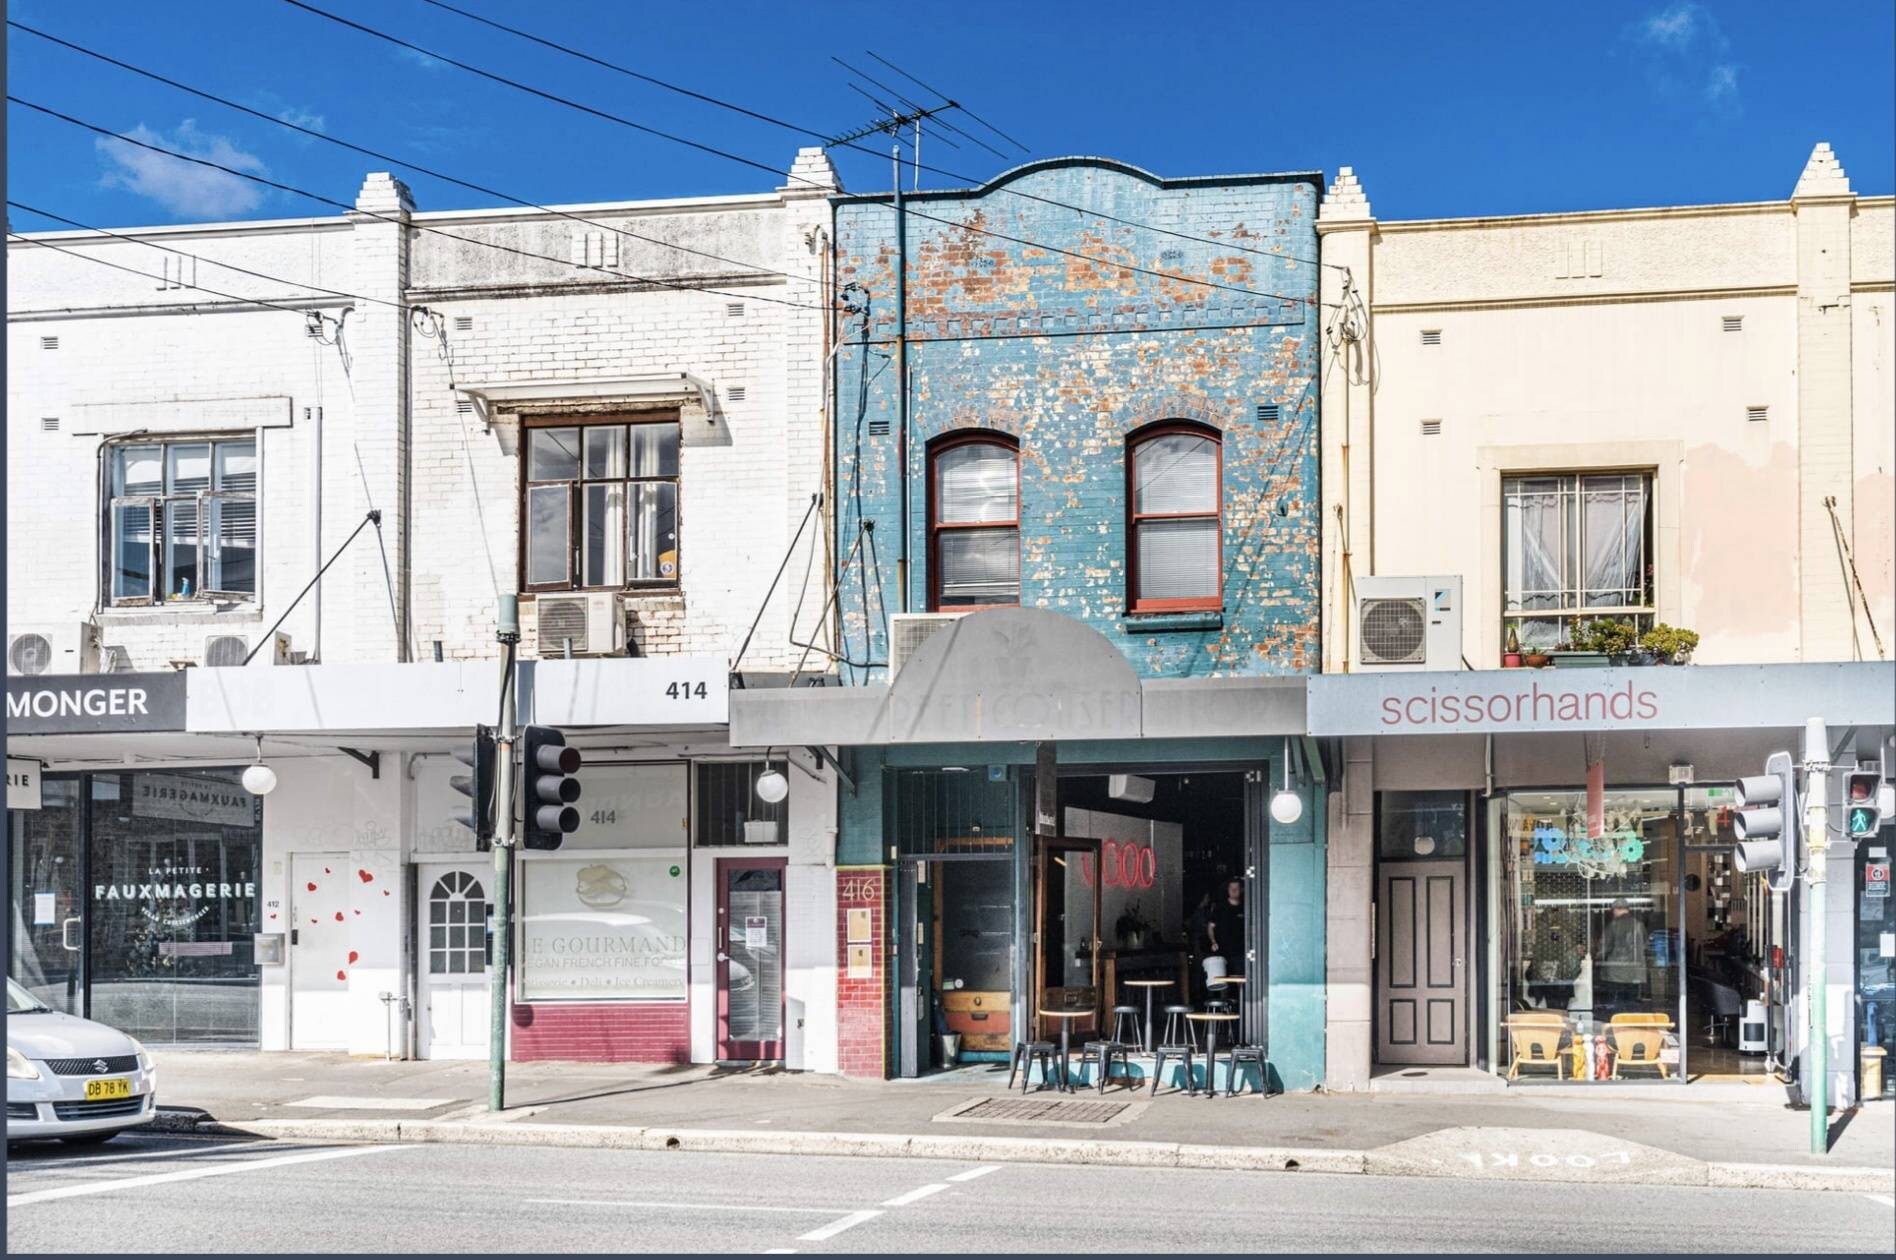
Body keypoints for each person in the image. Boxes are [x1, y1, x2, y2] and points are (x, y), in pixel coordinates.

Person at [1596, 897, 1645, 1015]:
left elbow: (1604, 948)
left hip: (1616, 973)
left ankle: (1616, 1029)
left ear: (1616, 910)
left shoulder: (1613, 925)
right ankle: (1631, 1029)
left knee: (1615, 1007)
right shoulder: (1639, 925)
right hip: (1635, 972)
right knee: (1631, 1005)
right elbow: (1645, 945)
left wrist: (1596, 956)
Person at [1204, 877, 1244, 999]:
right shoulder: (1220, 907)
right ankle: (1224, 1009)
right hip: (1223, 950)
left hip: (1241, 951)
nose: (1234, 890)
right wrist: (1213, 941)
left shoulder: (1246, 907)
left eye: (1236, 888)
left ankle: (1241, 1007)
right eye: (1231, 888)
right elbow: (1210, 926)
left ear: (1241, 890)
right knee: (1222, 982)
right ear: (1228, 890)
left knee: (1240, 981)